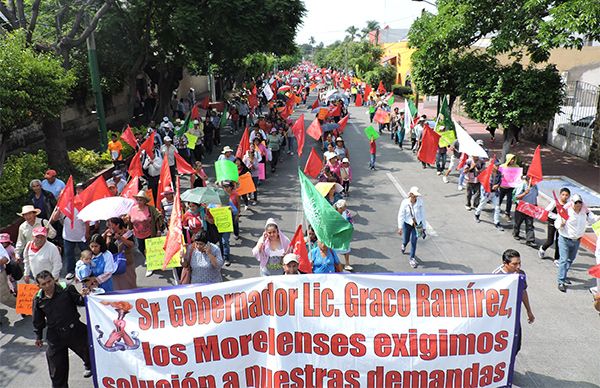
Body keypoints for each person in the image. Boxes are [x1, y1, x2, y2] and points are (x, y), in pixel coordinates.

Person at [32, 270, 92, 387]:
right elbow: (37, 319)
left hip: (75, 331)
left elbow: (80, 301)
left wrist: (86, 295)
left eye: (49, 281)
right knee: (57, 372)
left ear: (54, 279)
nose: (48, 285)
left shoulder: (67, 289)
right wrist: (38, 336)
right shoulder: (38, 299)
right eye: (43, 284)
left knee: (92, 357)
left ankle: (91, 368)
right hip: (55, 337)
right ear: (38, 286)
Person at [492, 249, 535, 355]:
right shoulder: (496, 277)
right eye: (514, 264)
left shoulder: (520, 274)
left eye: (519, 263)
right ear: (505, 264)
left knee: (516, 345)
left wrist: (529, 311)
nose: (518, 267)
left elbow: (523, 292)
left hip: (513, 316)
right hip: (499, 318)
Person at [555, 194, 599, 292]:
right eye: (576, 203)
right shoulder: (565, 211)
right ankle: (561, 281)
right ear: (572, 203)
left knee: (570, 259)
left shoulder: (585, 212)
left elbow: (593, 219)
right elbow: (557, 224)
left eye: (580, 203)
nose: (578, 205)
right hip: (565, 239)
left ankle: (564, 275)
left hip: (577, 240)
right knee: (563, 259)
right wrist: (560, 224)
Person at [127, 191, 163, 277]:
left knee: (150, 250)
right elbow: (129, 220)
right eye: (138, 200)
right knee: (140, 248)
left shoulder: (150, 209)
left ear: (145, 201)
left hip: (149, 233)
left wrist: (158, 230)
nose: (139, 202)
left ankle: (150, 266)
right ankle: (149, 259)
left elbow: (157, 218)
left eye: (141, 200)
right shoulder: (132, 209)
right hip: (138, 234)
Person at [397, 186, 427, 269]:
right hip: (407, 224)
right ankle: (404, 244)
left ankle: (412, 258)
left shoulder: (420, 202)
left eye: (416, 196)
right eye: (413, 196)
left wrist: (424, 227)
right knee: (406, 239)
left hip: (417, 225)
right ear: (410, 195)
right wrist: (400, 227)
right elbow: (401, 215)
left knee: (414, 241)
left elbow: (423, 215)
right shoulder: (405, 203)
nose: (415, 197)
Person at [106, 217, 138, 291]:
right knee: (117, 284)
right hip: (115, 262)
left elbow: (131, 245)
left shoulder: (127, 233)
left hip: (127, 262)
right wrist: (107, 237)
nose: (109, 227)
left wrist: (121, 238)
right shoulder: (110, 234)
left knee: (130, 282)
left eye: (111, 225)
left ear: (117, 225)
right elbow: (106, 248)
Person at [539, 187, 570, 261]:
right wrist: (557, 217)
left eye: (566, 195)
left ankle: (556, 258)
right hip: (552, 222)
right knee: (550, 241)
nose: (564, 196)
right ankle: (542, 249)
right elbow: (547, 211)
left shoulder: (568, 205)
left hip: (561, 225)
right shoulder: (555, 202)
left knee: (559, 242)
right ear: (560, 195)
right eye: (563, 194)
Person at [474, 160, 505, 231]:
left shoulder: (499, 173)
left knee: (497, 208)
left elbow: (500, 181)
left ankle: (496, 222)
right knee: (482, 204)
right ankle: (477, 214)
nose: (498, 167)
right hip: (487, 192)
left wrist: (497, 185)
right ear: (492, 165)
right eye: (496, 165)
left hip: (495, 193)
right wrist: (490, 187)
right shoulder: (487, 173)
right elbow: (483, 183)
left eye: (498, 165)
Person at [512, 175, 538, 248]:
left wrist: (535, 205)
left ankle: (530, 240)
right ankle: (515, 233)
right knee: (518, 222)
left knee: (530, 224)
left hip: (531, 207)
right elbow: (516, 197)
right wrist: (525, 193)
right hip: (522, 207)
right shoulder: (522, 185)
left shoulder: (535, 186)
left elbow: (535, 196)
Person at [334, 199, 354, 271]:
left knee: (346, 248)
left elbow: (351, 222)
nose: (345, 207)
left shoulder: (347, 213)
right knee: (333, 250)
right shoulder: (333, 213)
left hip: (344, 234)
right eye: (344, 206)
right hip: (335, 234)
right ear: (339, 208)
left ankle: (347, 264)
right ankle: (335, 264)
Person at [498, 154, 518, 220]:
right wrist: (501, 176)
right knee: (500, 198)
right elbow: (498, 175)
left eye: (513, 159)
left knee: (509, 200)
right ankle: (497, 209)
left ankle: (507, 213)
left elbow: (517, 177)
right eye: (511, 159)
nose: (512, 160)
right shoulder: (502, 166)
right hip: (502, 186)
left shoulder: (516, 167)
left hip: (511, 187)